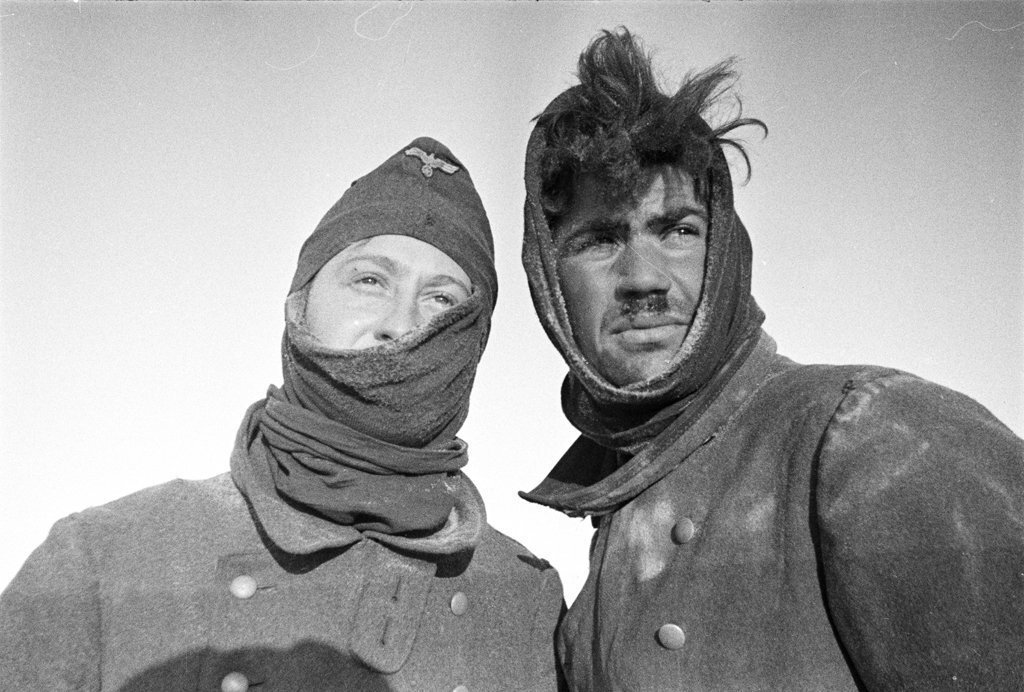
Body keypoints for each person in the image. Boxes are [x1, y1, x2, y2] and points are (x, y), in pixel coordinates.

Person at [519, 28, 1024, 691]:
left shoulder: (875, 432)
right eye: (600, 239)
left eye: (676, 231)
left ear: (723, 246)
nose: (643, 277)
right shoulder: (608, 535)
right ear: (552, 281)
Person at [1, 137, 564, 691]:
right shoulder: (106, 563)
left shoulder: (523, 601)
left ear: (473, 346)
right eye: (370, 280)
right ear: (299, 308)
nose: (401, 323)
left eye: (442, 298)